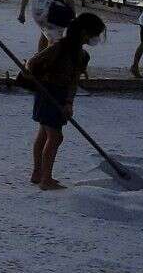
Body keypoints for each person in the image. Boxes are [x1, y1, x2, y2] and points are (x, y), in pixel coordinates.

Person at [27, 12, 106, 191]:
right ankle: (45, 178)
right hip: (46, 93)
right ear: (84, 33)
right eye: (95, 34)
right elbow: (32, 62)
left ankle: (38, 173)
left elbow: (74, 81)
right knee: (55, 137)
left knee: (45, 134)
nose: (96, 38)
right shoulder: (59, 47)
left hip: (61, 96)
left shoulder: (82, 55)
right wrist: (39, 78)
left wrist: (69, 102)